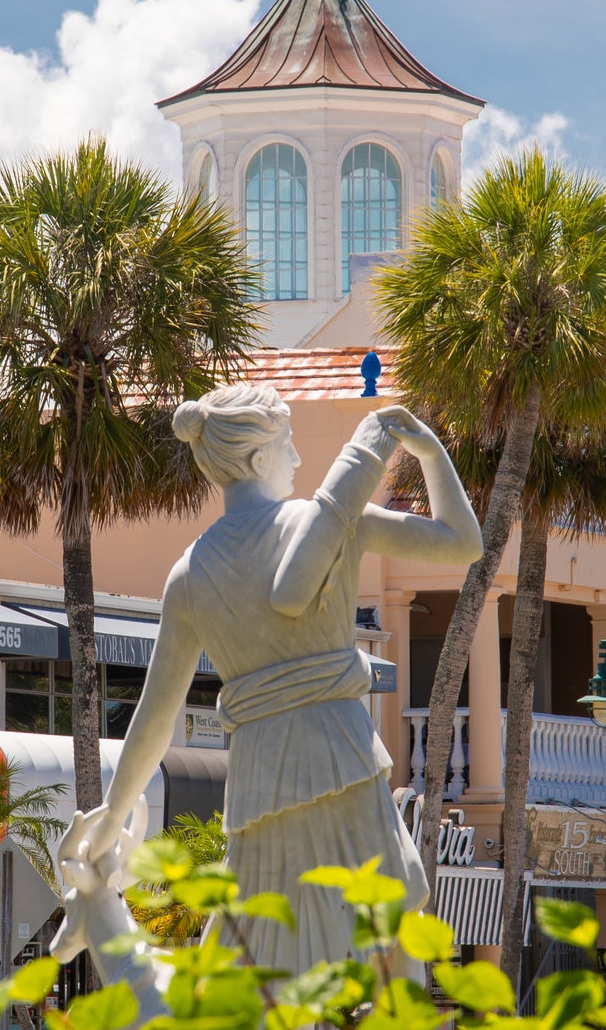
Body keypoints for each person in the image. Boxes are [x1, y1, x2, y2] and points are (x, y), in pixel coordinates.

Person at [57, 385, 482, 984]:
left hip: (259, 778)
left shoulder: (190, 574)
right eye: (288, 445)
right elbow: (464, 543)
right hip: (340, 752)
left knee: (260, 962)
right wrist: (432, 454)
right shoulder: (333, 523)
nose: (300, 461)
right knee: (392, 932)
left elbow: (154, 717)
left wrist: (114, 814)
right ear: (259, 460)